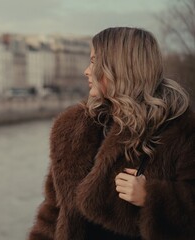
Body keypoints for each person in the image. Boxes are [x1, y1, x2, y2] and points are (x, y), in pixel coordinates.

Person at [28, 27, 195, 240]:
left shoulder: (178, 128)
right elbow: (53, 212)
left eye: (94, 62)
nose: (86, 71)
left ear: (120, 67)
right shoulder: (71, 129)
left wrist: (151, 196)